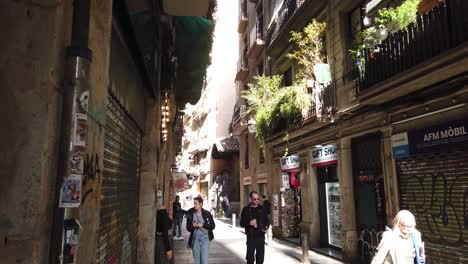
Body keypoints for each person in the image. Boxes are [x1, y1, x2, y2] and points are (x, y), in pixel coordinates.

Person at [240, 191, 270, 264]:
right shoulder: (246, 209)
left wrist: (265, 227)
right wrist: (249, 223)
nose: (256, 201)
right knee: (250, 260)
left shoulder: (262, 209)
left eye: (258, 199)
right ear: (250, 199)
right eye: (254, 199)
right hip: (251, 238)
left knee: (260, 260)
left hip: (260, 237)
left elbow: (267, 221)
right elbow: (241, 223)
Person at [186, 197, 216, 264]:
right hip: (195, 239)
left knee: (204, 261)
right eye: (194, 203)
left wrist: (201, 225)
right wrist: (192, 226)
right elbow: (188, 228)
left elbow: (213, 226)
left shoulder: (206, 213)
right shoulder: (191, 214)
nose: (194, 205)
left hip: (205, 238)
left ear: (201, 204)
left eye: (196, 203)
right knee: (197, 262)